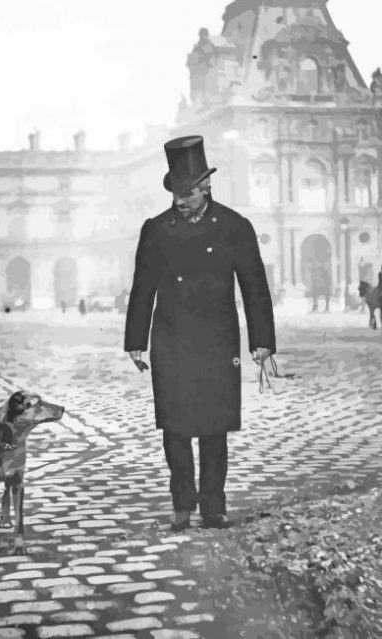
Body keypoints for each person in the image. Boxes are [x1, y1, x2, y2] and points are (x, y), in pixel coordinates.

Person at [125, 135, 276, 531]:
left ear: (207, 186)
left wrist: (262, 340)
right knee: (174, 426)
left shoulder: (233, 226)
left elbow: (254, 285)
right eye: (175, 193)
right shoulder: (156, 229)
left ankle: (213, 506)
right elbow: (143, 286)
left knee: (213, 426)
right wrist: (136, 342)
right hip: (170, 339)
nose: (179, 201)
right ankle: (181, 504)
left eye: (187, 193)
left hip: (216, 337)